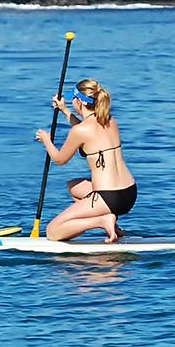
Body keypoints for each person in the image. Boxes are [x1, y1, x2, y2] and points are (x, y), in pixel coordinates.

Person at [34, 78, 136, 243]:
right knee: (73, 186)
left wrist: (46, 140)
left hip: (108, 196)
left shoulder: (80, 131)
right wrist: (65, 111)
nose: (72, 102)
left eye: (73, 99)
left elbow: (60, 159)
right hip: (129, 193)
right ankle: (112, 224)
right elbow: (86, 130)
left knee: (52, 231)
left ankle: (102, 221)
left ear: (80, 102)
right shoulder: (110, 121)